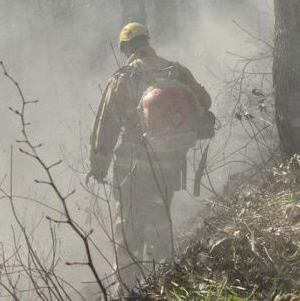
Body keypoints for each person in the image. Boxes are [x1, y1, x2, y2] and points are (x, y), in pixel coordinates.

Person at [87, 22, 211, 294]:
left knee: (128, 232)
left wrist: (98, 167)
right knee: (158, 224)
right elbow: (205, 101)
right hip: (168, 164)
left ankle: (127, 292)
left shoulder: (124, 78)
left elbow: (106, 125)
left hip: (131, 166)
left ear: (125, 48)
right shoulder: (176, 70)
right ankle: (162, 288)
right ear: (148, 42)